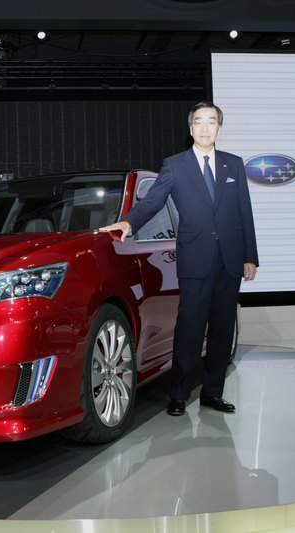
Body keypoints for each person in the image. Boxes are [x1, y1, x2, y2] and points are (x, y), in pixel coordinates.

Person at [99, 101, 258, 416]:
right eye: (199, 121)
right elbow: (153, 202)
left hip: (230, 260)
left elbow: (244, 211)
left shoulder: (234, 164)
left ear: (219, 128)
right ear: (191, 128)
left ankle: (212, 393)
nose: (205, 127)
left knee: (223, 329)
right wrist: (129, 222)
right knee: (190, 329)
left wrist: (250, 256)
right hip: (195, 259)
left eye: (211, 121)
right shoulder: (174, 165)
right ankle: (179, 394)